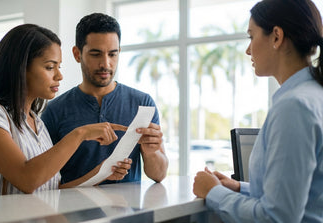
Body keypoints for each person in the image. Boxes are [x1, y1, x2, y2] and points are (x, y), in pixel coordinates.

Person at [0, 24, 132, 198]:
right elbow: (27, 179)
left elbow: (51, 192)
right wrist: (80, 134)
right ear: (20, 67)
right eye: (50, 67)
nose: (59, 76)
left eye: (59, 67)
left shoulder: (38, 123)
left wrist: (100, 173)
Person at [193, 0, 323, 222]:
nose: (248, 49)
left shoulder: (294, 107)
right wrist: (239, 187)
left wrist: (213, 192)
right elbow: (302, 192)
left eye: (251, 37)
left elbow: (275, 217)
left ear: (276, 37)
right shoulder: (313, 94)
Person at [41, 13, 168, 185]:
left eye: (113, 54)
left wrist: (151, 152)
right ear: (77, 54)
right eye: (96, 54)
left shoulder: (142, 103)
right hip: (72, 210)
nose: (106, 64)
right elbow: (45, 182)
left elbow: (159, 175)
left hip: (128, 211)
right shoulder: (55, 111)